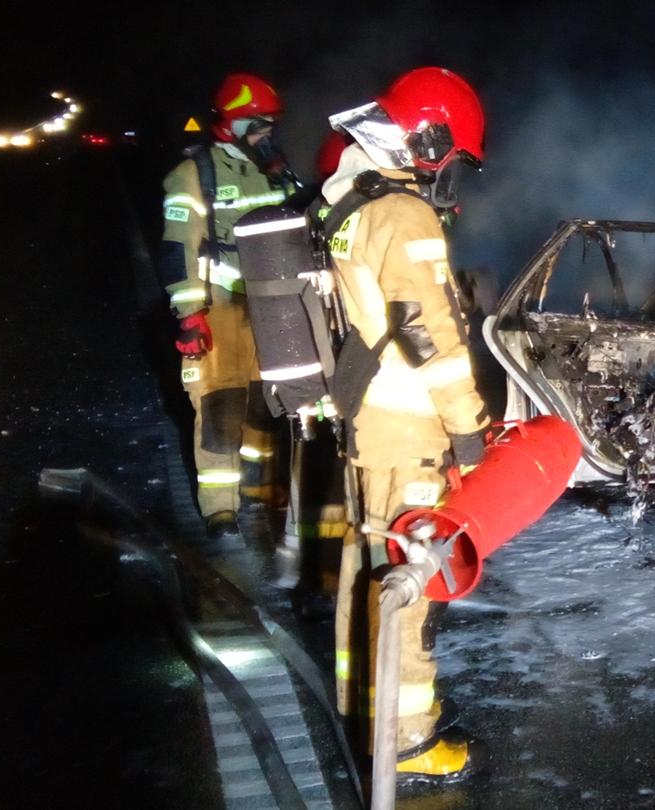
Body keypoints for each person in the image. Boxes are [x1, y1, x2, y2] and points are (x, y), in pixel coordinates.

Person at [320, 66, 491, 782]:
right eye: (451, 160)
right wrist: (471, 431)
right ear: (428, 137)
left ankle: (363, 705)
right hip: (409, 423)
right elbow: (434, 338)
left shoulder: (352, 199)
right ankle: (410, 744)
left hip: (367, 420)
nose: (451, 178)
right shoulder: (404, 214)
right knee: (410, 579)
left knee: (366, 564)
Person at [159, 72, 300, 540]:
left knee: (269, 401)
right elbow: (178, 246)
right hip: (219, 304)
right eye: (258, 125)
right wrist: (189, 315)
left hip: (271, 306)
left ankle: (261, 487)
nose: (267, 135)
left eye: (269, 126)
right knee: (219, 405)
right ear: (233, 123)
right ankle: (220, 507)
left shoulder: (273, 168)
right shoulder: (194, 174)